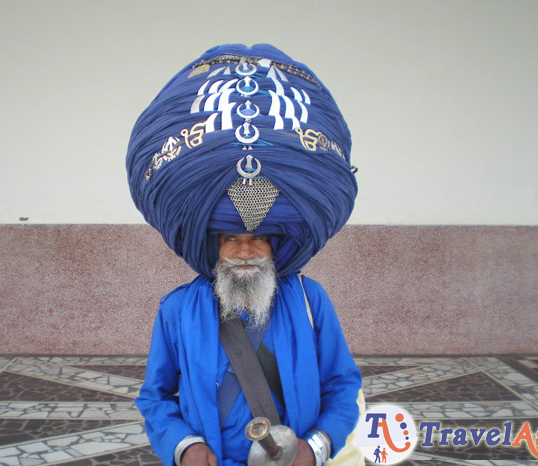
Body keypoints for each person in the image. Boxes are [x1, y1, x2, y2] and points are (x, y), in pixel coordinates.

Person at [126, 44, 363, 466]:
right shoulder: (177, 309)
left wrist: (318, 447)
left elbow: (343, 385)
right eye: (230, 240)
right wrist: (184, 447)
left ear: (276, 245)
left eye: (258, 239)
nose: (245, 252)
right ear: (213, 247)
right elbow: (156, 397)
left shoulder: (311, 302)